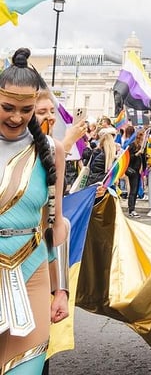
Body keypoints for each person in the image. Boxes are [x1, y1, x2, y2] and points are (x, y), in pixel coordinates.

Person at [0, 48, 69, 374]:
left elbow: (55, 224)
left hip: (32, 276)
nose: (16, 117)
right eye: (7, 107)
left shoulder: (51, 151)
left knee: (25, 368)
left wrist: (62, 291)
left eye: (26, 110)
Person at [125, 128, 146, 217]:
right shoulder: (132, 145)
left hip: (138, 170)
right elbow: (128, 158)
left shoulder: (143, 146)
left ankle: (133, 208)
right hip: (132, 170)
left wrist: (144, 170)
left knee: (136, 189)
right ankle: (131, 209)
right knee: (133, 190)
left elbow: (143, 160)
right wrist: (137, 153)